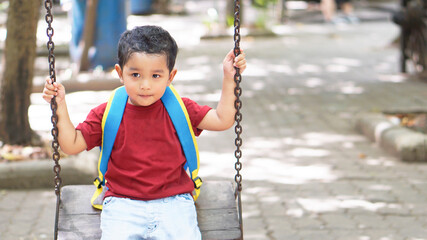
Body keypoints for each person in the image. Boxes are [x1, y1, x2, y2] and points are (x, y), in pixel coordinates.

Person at [42, 25, 246, 239]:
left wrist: (229, 77)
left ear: (170, 76)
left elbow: (223, 120)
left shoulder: (179, 108)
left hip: (174, 202)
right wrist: (60, 107)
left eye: (156, 75)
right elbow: (71, 144)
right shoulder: (109, 112)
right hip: (122, 204)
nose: (145, 85)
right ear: (120, 73)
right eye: (136, 74)